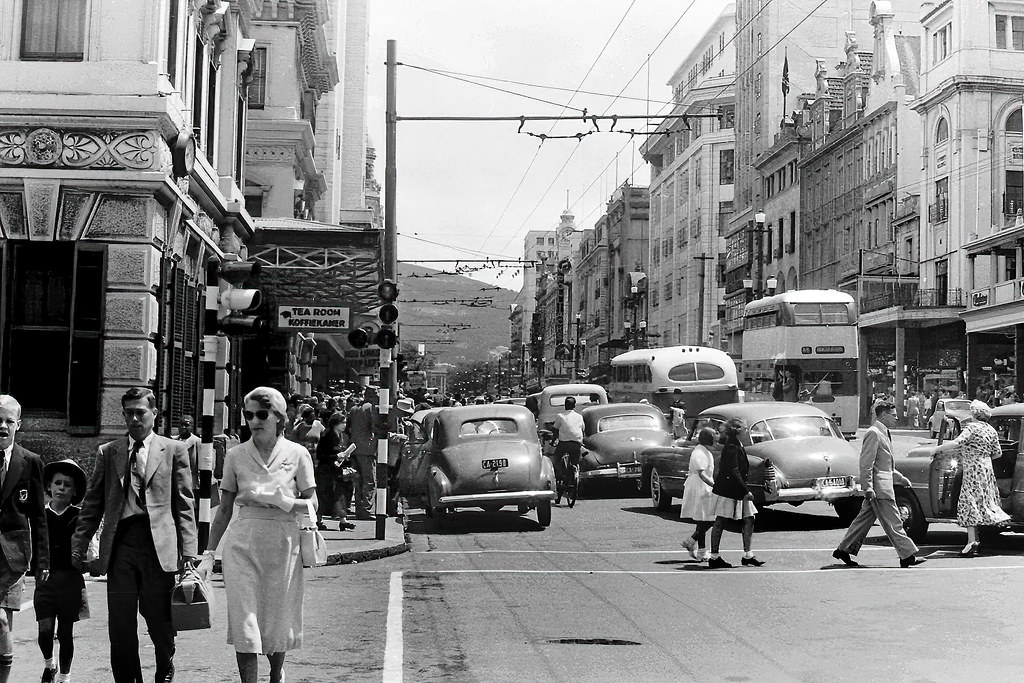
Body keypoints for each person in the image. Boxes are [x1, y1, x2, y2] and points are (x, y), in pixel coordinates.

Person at [71, 386, 198, 683]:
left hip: (158, 545)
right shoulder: (109, 452)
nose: (134, 419)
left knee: (158, 619)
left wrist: (189, 551)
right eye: (128, 413)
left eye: (140, 412)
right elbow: (93, 503)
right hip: (121, 543)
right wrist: (79, 544)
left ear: (154, 413)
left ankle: (165, 665)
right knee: (121, 623)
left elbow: (185, 503)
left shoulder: (174, 450)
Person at [200, 387, 318, 683]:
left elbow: (313, 503)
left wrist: (287, 502)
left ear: (279, 417)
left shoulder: (298, 453)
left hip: (283, 541)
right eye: (249, 415)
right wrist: (208, 553)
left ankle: (276, 673)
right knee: (244, 622)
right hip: (243, 542)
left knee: (277, 621)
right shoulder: (236, 455)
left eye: (261, 414)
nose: (254, 420)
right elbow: (225, 508)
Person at [832, 401, 926, 568]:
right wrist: (867, 487)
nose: (896, 418)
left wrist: (899, 477)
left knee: (863, 521)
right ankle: (907, 555)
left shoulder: (884, 432)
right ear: (883, 415)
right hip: (879, 488)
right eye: (894, 415)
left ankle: (844, 549)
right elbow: (866, 463)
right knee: (894, 521)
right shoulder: (874, 433)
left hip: (881, 485)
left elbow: (885, 464)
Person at [0, 395, 49, 683]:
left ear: (19, 424)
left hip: (12, 554)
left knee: (2, 619)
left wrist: (43, 560)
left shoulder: (30, 462)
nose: (2, 426)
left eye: (9, 421)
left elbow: (38, 516)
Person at [933, 400, 1011, 556]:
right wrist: (983, 455)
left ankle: (971, 542)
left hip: (972, 469)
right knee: (982, 500)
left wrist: (938, 448)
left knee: (968, 501)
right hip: (986, 469)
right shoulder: (991, 430)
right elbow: (998, 453)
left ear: (975, 413)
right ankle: (975, 539)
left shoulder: (972, 428)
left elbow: (958, 442)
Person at [35, 459, 89, 683]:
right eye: (57, 483)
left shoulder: (79, 516)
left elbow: (89, 546)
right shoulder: (39, 516)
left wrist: (87, 557)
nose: (62, 488)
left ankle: (65, 677)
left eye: (67, 485)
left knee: (65, 633)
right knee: (45, 631)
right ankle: (50, 664)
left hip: (70, 581)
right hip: (46, 580)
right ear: (49, 486)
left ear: (74, 490)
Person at [706, 418, 763, 569]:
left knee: (749, 518)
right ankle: (714, 557)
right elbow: (733, 470)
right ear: (738, 431)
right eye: (745, 428)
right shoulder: (732, 446)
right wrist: (745, 491)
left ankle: (748, 555)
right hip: (729, 489)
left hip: (735, 489)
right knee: (721, 521)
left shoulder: (736, 444)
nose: (747, 431)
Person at [680, 427, 717, 561]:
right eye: (715, 434)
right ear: (709, 438)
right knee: (704, 519)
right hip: (700, 487)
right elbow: (701, 474)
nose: (717, 437)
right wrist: (715, 486)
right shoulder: (699, 452)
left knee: (708, 519)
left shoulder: (705, 451)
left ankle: (691, 541)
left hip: (704, 486)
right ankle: (701, 551)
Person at [345, 387, 381, 520]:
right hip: (368, 449)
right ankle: (366, 509)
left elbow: (348, 428)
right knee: (369, 481)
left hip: (354, 448)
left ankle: (360, 509)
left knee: (358, 481)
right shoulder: (371, 408)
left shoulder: (354, 409)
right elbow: (375, 426)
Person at [314, 412, 354, 531]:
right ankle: (319, 520)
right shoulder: (326, 436)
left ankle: (343, 520)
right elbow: (321, 455)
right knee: (323, 495)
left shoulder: (343, 436)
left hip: (337, 470)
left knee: (339, 494)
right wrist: (336, 455)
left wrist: (346, 458)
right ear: (335, 423)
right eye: (342, 422)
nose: (344, 425)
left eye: (345, 422)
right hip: (325, 470)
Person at [551, 397, 585, 489]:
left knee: (556, 459)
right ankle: (574, 473)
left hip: (564, 444)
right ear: (574, 406)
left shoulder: (560, 416)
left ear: (565, 405)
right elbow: (582, 429)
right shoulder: (579, 417)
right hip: (576, 444)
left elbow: (555, 429)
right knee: (575, 462)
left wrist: (553, 440)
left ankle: (560, 475)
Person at [177, 414, 202, 509]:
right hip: (177, 482)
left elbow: (201, 465)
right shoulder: (174, 441)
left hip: (192, 482)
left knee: (192, 509)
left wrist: (199, 485)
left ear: (191, 427)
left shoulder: (197, 442)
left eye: (186, 425)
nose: (183, 427)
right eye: (181, 424)